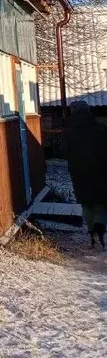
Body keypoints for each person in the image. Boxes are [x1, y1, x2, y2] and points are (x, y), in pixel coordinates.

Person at [64, 100, 107, 249]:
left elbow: (66, 152)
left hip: (79, 173)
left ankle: (91, 235)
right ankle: (100, 228)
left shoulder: (69, 131)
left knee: (86, 204)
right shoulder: (100, 128)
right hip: (100, 171)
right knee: (101, 203)